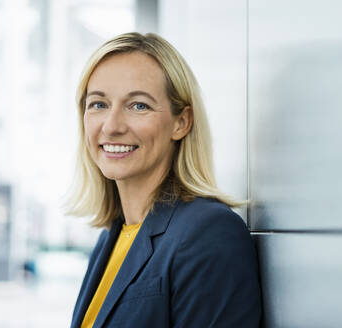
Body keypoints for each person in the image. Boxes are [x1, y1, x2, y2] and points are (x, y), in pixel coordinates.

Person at [66, 32, 261, 328]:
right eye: (98, 104)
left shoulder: (209, 233)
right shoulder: (112, 235)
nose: (112, 126)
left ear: (181, 122)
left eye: (138, 105)